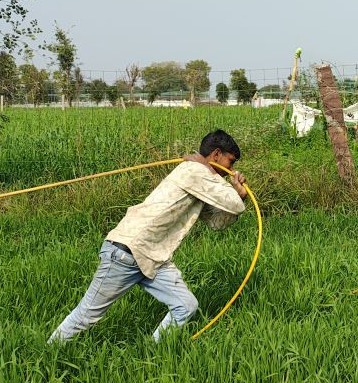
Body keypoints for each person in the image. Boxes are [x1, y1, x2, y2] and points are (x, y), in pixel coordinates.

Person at [49, 129, 248, 342]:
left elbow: (218, 221)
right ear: (216, 154)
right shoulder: (194, 171)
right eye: (231, 162)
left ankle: (155, 350)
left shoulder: (201, 177)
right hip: (127, 251)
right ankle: (50, 351)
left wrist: (238, 196)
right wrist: (236, 191)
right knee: (87, 315)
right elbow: (233, 202)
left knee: (186, 306)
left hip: (153, 256)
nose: (231, 170)